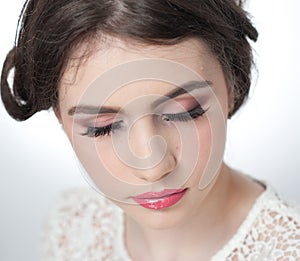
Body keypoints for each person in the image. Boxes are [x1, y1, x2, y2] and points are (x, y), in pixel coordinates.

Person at [1, 0, 299, 260]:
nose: (153, 168)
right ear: (61, 120)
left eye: (184, 112)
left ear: (231, 86)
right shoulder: (72, 225)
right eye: (102, 128)